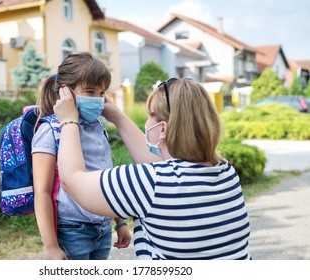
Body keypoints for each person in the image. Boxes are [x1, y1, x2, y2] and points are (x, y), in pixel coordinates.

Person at [53, 77, 251, 260]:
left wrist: (68, 121)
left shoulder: (151, 182)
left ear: (162, 129)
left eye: (150, 116)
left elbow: (72, 181)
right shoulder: (226, 172)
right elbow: (162, 168)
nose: (147, 123)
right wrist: (118, 117)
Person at [32, 52, 131, 260]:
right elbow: (41, 191)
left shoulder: (98, 128)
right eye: (90, 91)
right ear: (65, 91)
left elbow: (106, 177)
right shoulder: (50, 130)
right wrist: (50, 246)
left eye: (101, 92)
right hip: (72, 232)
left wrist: (119, 222)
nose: (97, 99)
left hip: (102, 230)